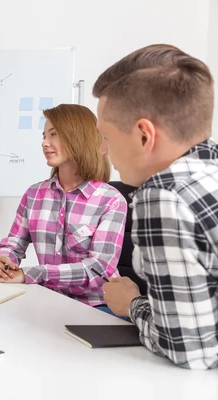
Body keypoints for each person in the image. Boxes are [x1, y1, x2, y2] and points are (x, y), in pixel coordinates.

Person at [95, 44, 218, 369]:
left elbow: (191, 351)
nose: (104, 150)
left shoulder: (163, 196)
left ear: (144, 136)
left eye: (106, 135)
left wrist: (131, 304)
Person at [0, 104, 128, 312]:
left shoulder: (111, 200)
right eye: (44, 136)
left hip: (98, 307)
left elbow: (99, 270)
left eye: (54, 134)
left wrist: (33, 274)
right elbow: (14, 245)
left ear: (78, 137)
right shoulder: (34, 194)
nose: (44, 143)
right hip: (49, 303)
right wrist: (3, 262)